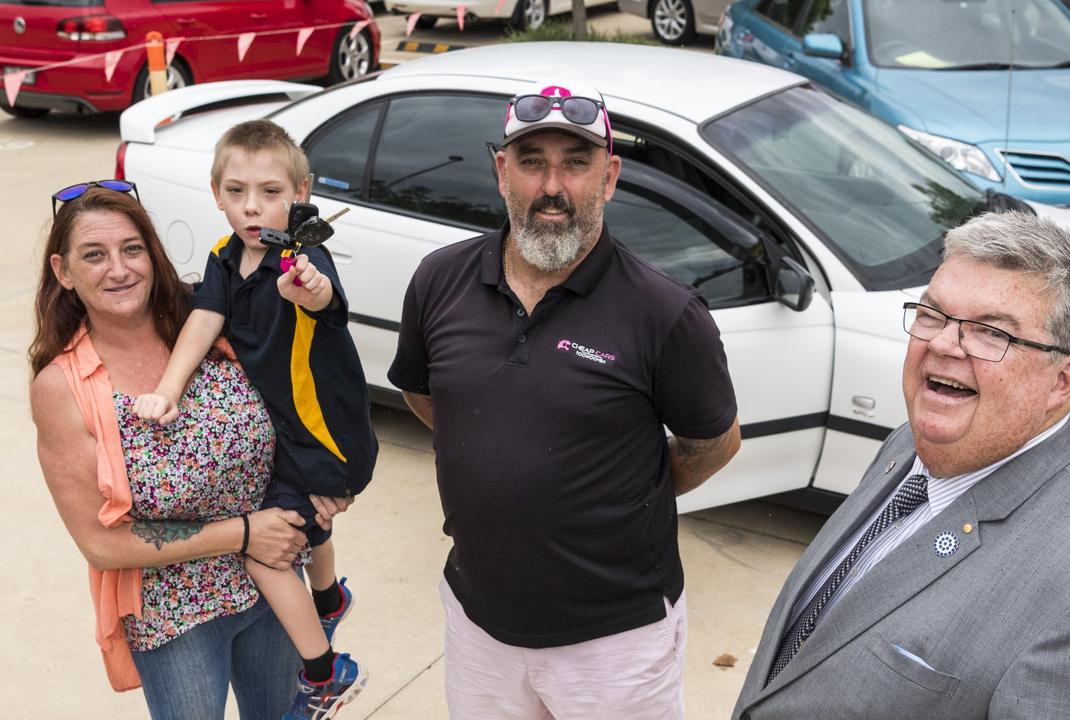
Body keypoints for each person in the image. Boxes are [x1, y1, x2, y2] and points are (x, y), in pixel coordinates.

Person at [733, 211, 1070, 719]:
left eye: (989, 332)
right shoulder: (912, 445)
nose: (941, 343)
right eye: (932, 315)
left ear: (1064, 380)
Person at [389, 80, 742, 719]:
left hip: (616, 641)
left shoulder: (665, 312)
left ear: (609, 177)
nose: (553, 186)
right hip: (478, 624)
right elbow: (425, 393)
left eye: (575, 163)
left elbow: (713, 444)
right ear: (502, 172)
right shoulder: (439, 281)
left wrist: (619, 495)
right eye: (532, 162)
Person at [29, 183, 310, 719]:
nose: (119, 269)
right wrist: (247, 532)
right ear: (64, 272)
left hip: (276, 581)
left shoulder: (209, 320)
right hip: (175, 616)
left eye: (131, 249)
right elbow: (101, 543)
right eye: (95, 255)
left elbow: (300, 391)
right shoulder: (62, 388)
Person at [131, 120, 377, 719]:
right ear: (216, 193)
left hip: (326, 438)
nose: (251, 206)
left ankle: (325, 673)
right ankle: (328, 596)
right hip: (288, 437)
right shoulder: (223, 257)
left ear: (301, 192)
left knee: (265, 551)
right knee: (303, 523)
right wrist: (168, 389)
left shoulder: (303, 258)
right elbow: (203, 320)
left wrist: (308, 288)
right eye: (236, 191)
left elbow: (323, 298)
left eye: (270, 191)